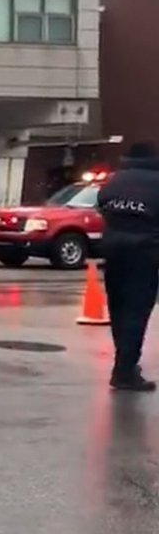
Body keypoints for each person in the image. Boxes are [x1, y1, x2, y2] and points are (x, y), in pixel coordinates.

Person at [96, 142, 159, 392]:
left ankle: (124, 364)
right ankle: (124, 371)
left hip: (113, 253)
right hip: (144, 255)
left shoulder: (114, 181)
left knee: (119, 311)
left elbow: (102, 205)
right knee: (136, 314)